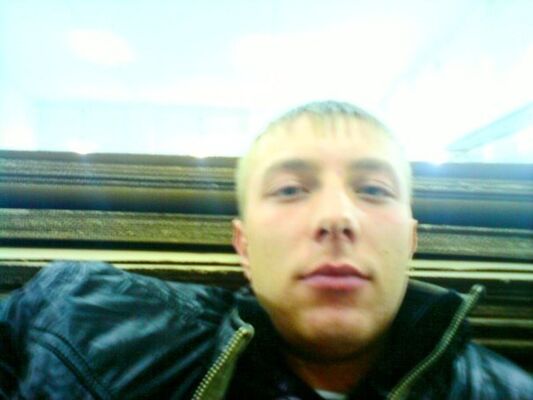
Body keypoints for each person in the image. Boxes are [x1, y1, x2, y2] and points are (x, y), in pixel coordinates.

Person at [0, 101, 531, 399]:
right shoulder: (79, 329)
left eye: (373, 189)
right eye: (291, 189)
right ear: (245, 246)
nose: (336, 218)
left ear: (411, 242)